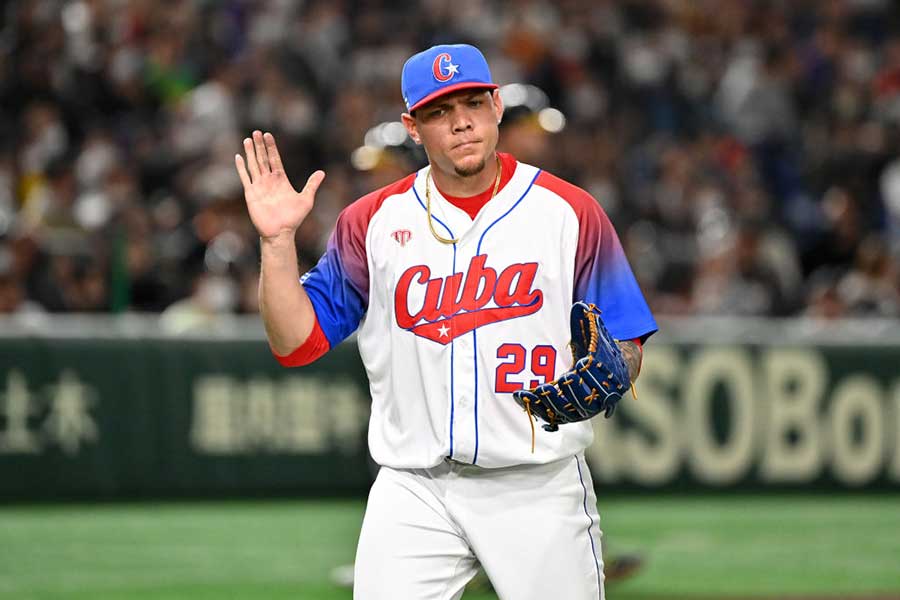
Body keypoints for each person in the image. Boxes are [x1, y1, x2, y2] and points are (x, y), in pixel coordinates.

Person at [235, 43, 657, 600]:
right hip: (413, 489)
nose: (461, 123)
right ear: (412, 126)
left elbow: (625, 337)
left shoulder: (569, 212)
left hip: (537, 483)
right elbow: (295, 343)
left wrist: (618, 368)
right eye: (439, 111)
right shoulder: (371, 223)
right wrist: (276, 241)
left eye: (472, 103)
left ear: (497, 105)